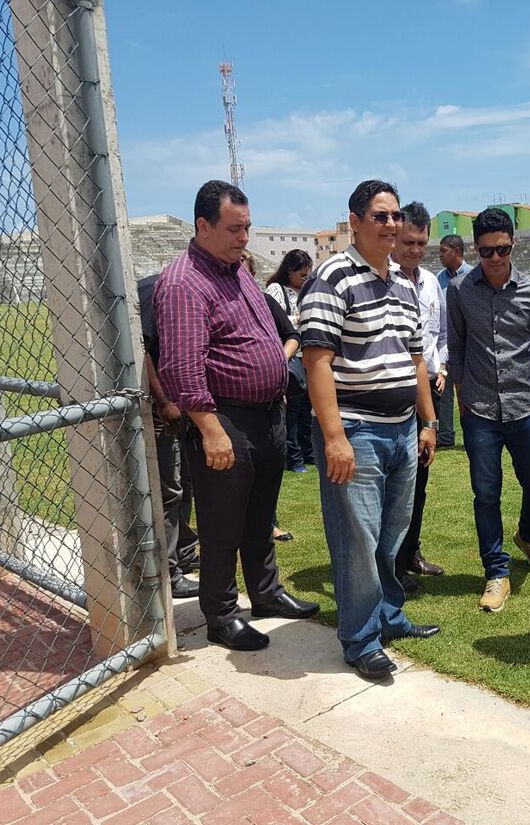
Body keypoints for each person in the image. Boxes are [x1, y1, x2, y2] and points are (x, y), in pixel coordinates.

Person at [154, 180, 319, 652]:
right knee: (223, 523)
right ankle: (221, 615)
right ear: (203, 226)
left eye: (247, 227)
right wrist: (210, 429)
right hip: (223, 419)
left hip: (266, 416)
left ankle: (265, 593)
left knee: (259, 515)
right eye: (234, 228)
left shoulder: (236, 270)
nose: (244, 237)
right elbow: (182, 367)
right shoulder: (185, 282)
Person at [299, 180, 441, 680]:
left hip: (403, 429)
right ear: (355, 222)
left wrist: (428, 422)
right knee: (357, 537)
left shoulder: (405, 284)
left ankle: (389, 615)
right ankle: (360, 639)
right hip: (355, 429)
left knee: (390, 534)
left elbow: (417, 359)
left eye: (395, 216)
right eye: (380, 216)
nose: (391, 224)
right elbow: (317, 362)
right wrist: (334, 437)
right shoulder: (332, 277)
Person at [447, 207, 530, 613]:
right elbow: (455, 346)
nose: (495, 258)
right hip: (479, 411)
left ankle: (529, 537)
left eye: (503, 249)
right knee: (486, 493)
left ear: (513, 244)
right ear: (476, 248)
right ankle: (496, 571)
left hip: (525, 407)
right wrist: (461, 397)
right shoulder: (459, 290)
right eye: (487, 251)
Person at [392, 202, 448, 595]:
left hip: (429, 389)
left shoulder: (430, 282)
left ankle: (411, 552)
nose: (415, 249)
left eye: (422, 242)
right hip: (395, 392)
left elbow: (440, 335)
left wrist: (441, 367)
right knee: (397, 482)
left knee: (421, 479)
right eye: (409, 241)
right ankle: (391, 562)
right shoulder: (385, 279)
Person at [137, 274, 200, 599]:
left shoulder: (191, 289)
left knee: (186, 483)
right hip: (165, 409)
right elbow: (143, 349)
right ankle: (170, 571)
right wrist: (164, 403)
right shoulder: (158, 289)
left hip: (187, 406)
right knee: (170, 490)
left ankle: (186, 553)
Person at [264, 249, 314, 473]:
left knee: (307, 411)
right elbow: (273, 322)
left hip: (307, 357)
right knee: (292, 412)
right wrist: (298, 319)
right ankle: (294, 459)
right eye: (302, 275)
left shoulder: (306, 291)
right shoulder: (276, 290)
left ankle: (308, 452)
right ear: (290, 271)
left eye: (308, 276)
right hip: (288, 357)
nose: (305, 280)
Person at [434, 235, 472, 447]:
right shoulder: (439, 279)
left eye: (443, 251)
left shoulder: (473, 276)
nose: (439, 255)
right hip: (445, 346)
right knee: (444, 392)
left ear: (456, 251)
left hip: (468, 345)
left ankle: (472, 435)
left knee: (467, 392)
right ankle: (446, 435)